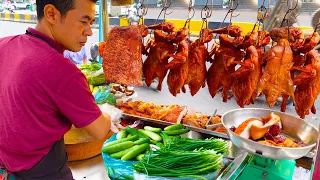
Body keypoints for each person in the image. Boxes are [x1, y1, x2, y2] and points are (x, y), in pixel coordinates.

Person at [0, 0, 118, 179]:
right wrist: (108, 113)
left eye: (91, 23)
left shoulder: (4, 44)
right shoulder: (62, 70)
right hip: (45, 172)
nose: (89, 31)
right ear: (51, 14)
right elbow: (99, 130)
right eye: (83, 22)